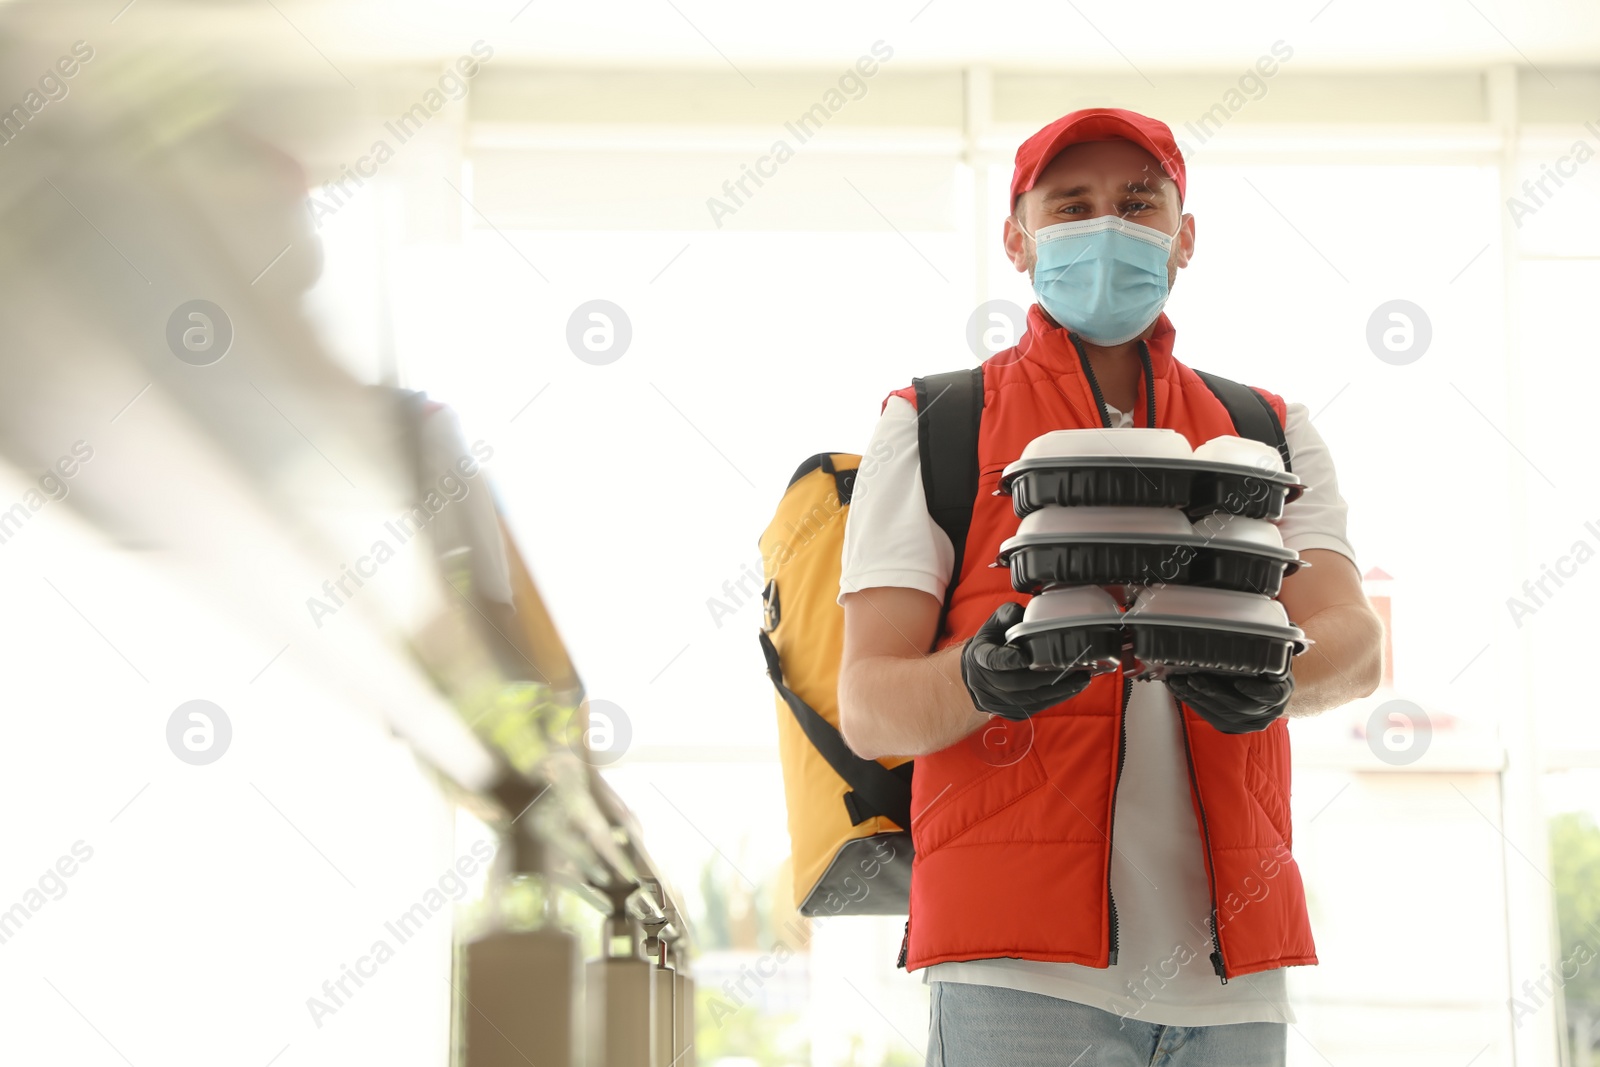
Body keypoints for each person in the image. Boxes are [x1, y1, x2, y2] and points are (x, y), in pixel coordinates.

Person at [835, 107, 1385, 1066]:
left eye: (1138, 204)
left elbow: (1357, 641)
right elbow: (869, 705)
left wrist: (1284, 679)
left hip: (1234, 978)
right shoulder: (935, 422)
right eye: (1071, 204)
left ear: (1184, 236)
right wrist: (977, 676)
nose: (1107, 228)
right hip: (1015, 976)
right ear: (1018, 238)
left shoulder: (1268, 426)